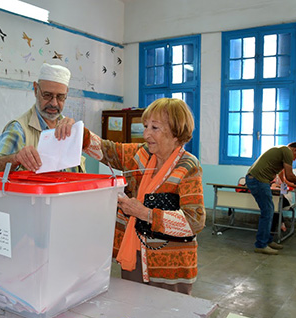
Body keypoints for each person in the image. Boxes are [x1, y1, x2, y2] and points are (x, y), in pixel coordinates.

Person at [73, 98, 205, 295]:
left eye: (155, 128)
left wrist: (145, 213)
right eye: (145, 126)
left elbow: (194, 221)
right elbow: (104, 149)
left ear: (176, 131)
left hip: (170, 270)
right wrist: (75, 131)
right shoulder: (139, 155)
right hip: (132, 258)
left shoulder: (188, 166)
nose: (146, 134)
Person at [0, 63, 85, 173]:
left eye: (60, 97)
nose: (54, 103)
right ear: (35, 89)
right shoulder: (19, 129)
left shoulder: (70, 129)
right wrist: (16, 158)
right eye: (47, 95)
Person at [246, 142, 296, 255]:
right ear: (294, 150)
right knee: (267, 212)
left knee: (270, 211)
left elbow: (285, 178)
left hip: (258, 180)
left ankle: (268, 240)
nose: (294, 159)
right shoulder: (287, 151)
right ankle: (261, 245)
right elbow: (290, 176)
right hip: (259, 180)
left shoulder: (280, 151)